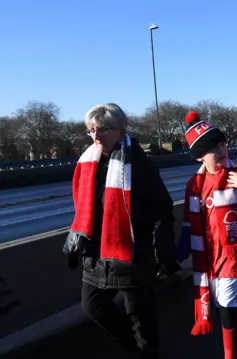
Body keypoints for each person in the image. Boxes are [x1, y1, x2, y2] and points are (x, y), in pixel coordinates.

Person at [63, 103, 180, 358]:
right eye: (91, 130)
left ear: (122, 129)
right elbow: (83, 210)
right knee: (93, 307)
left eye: (103, 130)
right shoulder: (87, 162)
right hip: (96, 255)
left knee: (141, 321)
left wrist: (163, 255)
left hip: (132, 255)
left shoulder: (138, 164)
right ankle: (135, 351)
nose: (95, 137)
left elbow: (162, 209)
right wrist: (74, 242)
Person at [176, 111, 237, 359]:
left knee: (228, 310)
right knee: (228, 310)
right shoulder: (193, 185)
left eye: (222, 142)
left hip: (235, 256)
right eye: (214, 147)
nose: (222, 149)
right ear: (200, 157)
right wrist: (177, 256)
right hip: (208, 260)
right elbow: (188, 224)